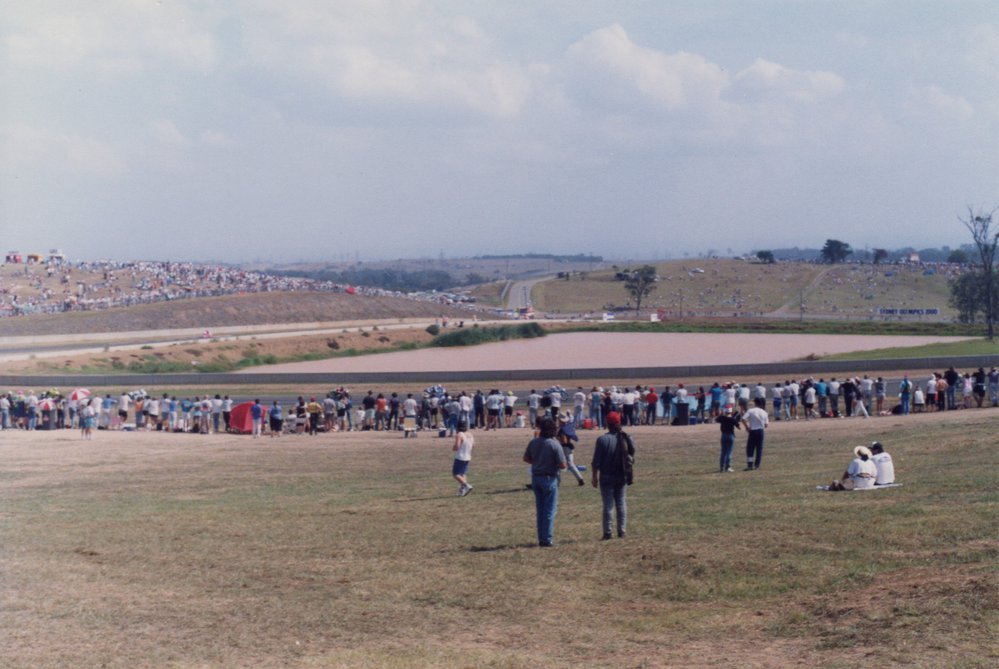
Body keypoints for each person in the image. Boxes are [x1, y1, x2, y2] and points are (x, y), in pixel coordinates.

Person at [523, 417, 566, 547]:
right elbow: (563, 465)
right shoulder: (554, 444)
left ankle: (541, 537)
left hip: (536, 478)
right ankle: (546, 539)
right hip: (549, 478)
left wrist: (537, 462)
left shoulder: (534, 442)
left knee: (540, 509)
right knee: (549, 510)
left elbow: (526, 458)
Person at [590, 411, 634, 540]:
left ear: (607, 424)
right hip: (621, 475)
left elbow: (596, 462)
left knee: (608, 505)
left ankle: (607, 533)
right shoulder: (626, 437)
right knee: (621, 503)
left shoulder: (602, 440)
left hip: (606, 476)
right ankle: (621, 531)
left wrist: (594, 477)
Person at [557, 412, 585, 486]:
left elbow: (564, 441)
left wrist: (557, 438)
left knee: (558, 464)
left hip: (564, 448)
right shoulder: (568, 426)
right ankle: (580, 479)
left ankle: (557, 482)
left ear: (560, 420)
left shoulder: (562, 429)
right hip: (569, 447)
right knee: (571, 464)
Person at [741, 403, 769, 470]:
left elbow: (743, 419)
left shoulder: (751, 411)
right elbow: (766, 425)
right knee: (759, 449)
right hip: (760, 431)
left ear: (755, 403)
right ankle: (757, 465)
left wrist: (747, 427)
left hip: (753, 431)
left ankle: (750, 465)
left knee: (750, 448)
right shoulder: (764, 412)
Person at [715, 406, 741, 472]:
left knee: (723, 452)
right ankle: (727, 467)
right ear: (731, 411)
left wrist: (721, 414)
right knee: (729, 452)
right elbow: (739, 427)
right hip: (730, 436)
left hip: (723, 435)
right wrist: (735, 419)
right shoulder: (732, 419)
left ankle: (722, 467)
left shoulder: (722, 418)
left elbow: (716, 419)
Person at [452, 420, 474, 496]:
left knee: (455, 474)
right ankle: (463, 490)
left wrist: (454, 447)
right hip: (468, 456)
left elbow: (457, 446)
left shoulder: (459, 434)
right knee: (463, 473)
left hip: (460, 457)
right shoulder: (470, 434)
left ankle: (466, 485)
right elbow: (473, 445)